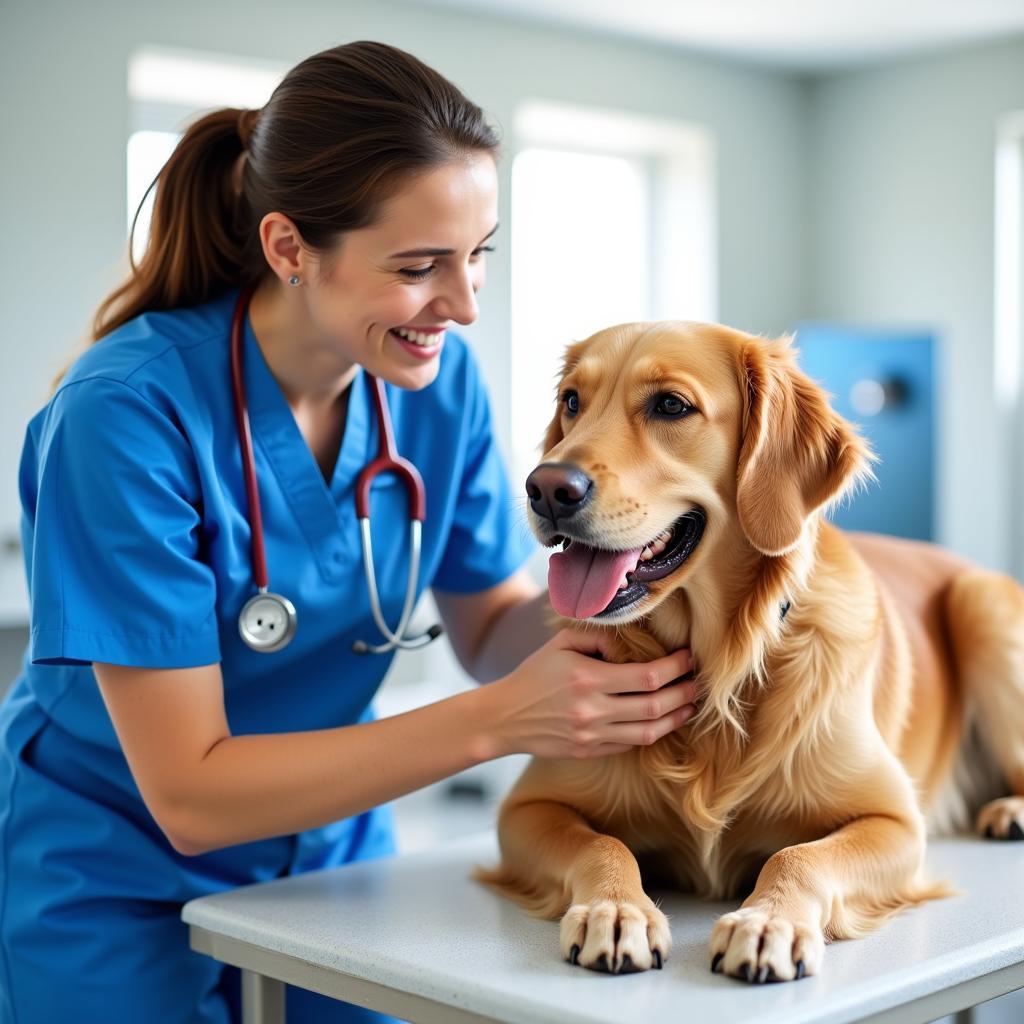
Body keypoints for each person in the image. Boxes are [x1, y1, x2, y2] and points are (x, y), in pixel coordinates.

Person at [0, 40, 699, 1024]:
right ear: (289, 249)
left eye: (477, 255)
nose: (460, 305)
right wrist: (498, 719)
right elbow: (191, 796)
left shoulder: (434, 378)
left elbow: (492, 619)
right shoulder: (122, 414)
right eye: (419, 267)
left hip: (330, 845)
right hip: (113, 862)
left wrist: (660, 599)